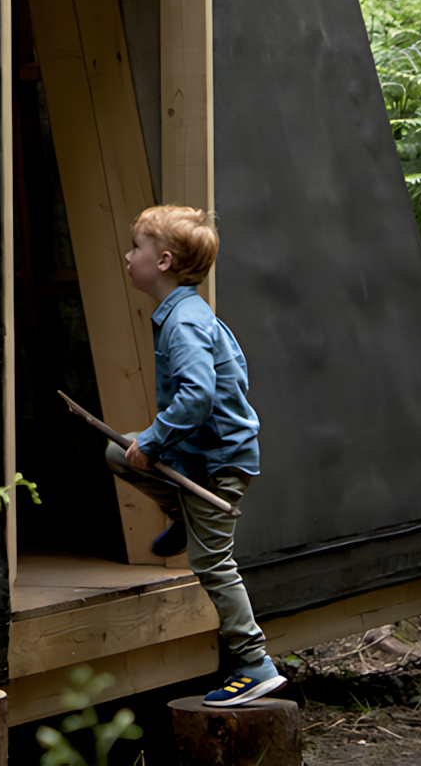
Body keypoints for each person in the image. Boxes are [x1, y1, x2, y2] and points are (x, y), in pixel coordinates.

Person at [106, 203, 285, 706]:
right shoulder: (183, 312)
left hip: (216, 461)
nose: (128, 256)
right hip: (198, 454)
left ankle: (255, 663)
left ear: (163, 261)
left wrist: (154, 440)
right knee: (118, 451)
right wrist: (150, 443)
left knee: (212, 562)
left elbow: (198, 396)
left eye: (136, 248)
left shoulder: (183, 322)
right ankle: (183, 515)